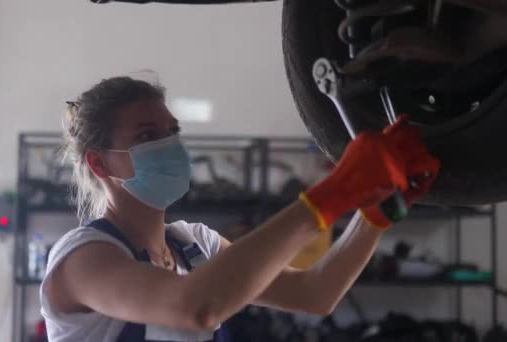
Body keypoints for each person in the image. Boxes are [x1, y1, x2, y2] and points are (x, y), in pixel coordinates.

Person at [40, 76, 440, 342]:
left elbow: (315, 292)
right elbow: (195, 306)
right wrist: (335, 191)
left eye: (173, 131)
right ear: (100, 163)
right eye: (147, 136)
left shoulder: (194, 245)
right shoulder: (84, 259)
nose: (170, 144)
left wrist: (375, 216)